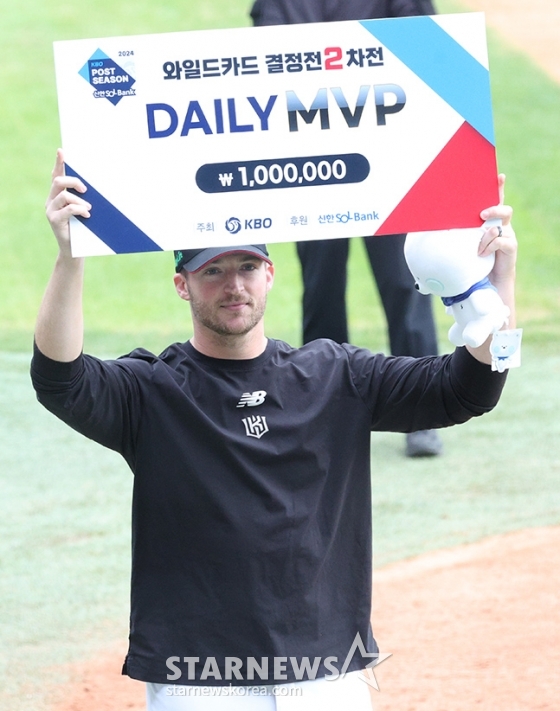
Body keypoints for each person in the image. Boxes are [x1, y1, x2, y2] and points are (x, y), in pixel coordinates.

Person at [31, 150, 517, 711]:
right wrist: (70, 258)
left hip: (327, 670)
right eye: (211, 270)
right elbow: (59, 380)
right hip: (198, 678)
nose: (231, 285)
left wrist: (493, 287)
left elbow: (470, 390)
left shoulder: (336, 375)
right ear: (182, 285)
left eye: (244, 267)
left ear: (270, 274)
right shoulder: (152, 391)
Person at [251, 0, 443, 458]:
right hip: (311, 168)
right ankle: (324, 407)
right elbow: (260, 54)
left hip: (387, 158)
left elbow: (427, 41)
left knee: (404, 282)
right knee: (321, 288)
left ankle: (421, 410)